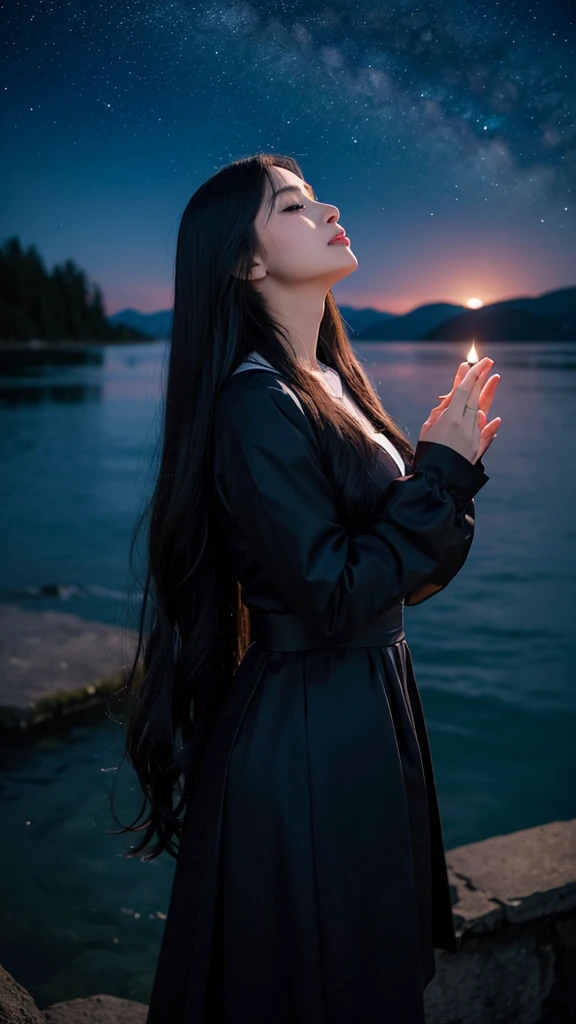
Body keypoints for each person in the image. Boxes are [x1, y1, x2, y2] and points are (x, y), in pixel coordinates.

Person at [110, 153, 502, 1023]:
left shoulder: (332, 383)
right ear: (246, 262)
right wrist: (436, 476)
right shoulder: (255, 404)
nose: (327, 208)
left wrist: (450, 472)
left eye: (316, 194)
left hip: (365, 704)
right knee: (315, 981)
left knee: (362, 971)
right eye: (292, 204)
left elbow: (407, 579)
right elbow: (330, 594)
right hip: (306, 731)